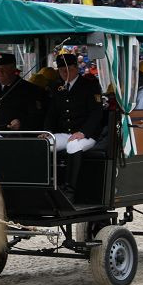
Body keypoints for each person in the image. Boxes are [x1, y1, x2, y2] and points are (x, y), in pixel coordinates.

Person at [44, 53, 105, 202]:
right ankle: (47, 186)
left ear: (76, 68)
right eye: (61, 70)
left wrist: (83, 132)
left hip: (87, 135)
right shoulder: (57, 87)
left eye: (69, 69)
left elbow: (96, 113)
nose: (65, 72)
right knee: (45, 144)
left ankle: (70, 190)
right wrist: (47, 132)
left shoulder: (89, 85)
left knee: (73, 146)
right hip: (65, 133)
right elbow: (51, 113)